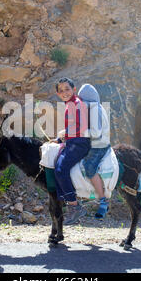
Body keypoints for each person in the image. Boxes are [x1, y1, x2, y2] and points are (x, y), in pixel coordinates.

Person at [53, 77, 90, 225]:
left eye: (67, 89)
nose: (64, 92)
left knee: (61, 169)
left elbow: (79, 127)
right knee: (56, 162)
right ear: (57, 93)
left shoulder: (76, 104)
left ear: (74, 90)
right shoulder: (71, 104)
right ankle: (65, 201)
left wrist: (61, 139)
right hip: (74, 141)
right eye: (61, 90)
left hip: (79, 143)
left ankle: (74, 207)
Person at [78, 83, 111, 219]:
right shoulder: (95, 107)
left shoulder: (95, 110)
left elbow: (96, 133)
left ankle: (103, 201)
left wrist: (78, 133)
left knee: (89, 167)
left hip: (99, 146)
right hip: (94, 143)